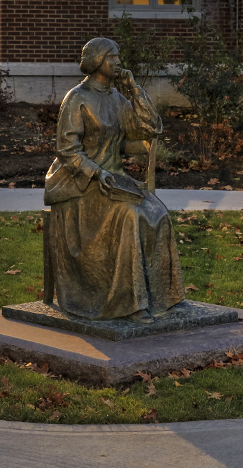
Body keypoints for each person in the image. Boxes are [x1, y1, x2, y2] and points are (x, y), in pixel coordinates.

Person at [44, 37, 184, 323]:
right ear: (97, 61)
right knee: (130, 215)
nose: (118, 63)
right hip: (81, 185)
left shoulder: (117, 97)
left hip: (114, 181)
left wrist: (134, 90)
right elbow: (67, 149)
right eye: (113, 57)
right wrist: (96, 172)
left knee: (159, 214)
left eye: (118, 57)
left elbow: (151, 127)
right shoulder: (77, 98)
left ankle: (162, 299)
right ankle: (129, 305)